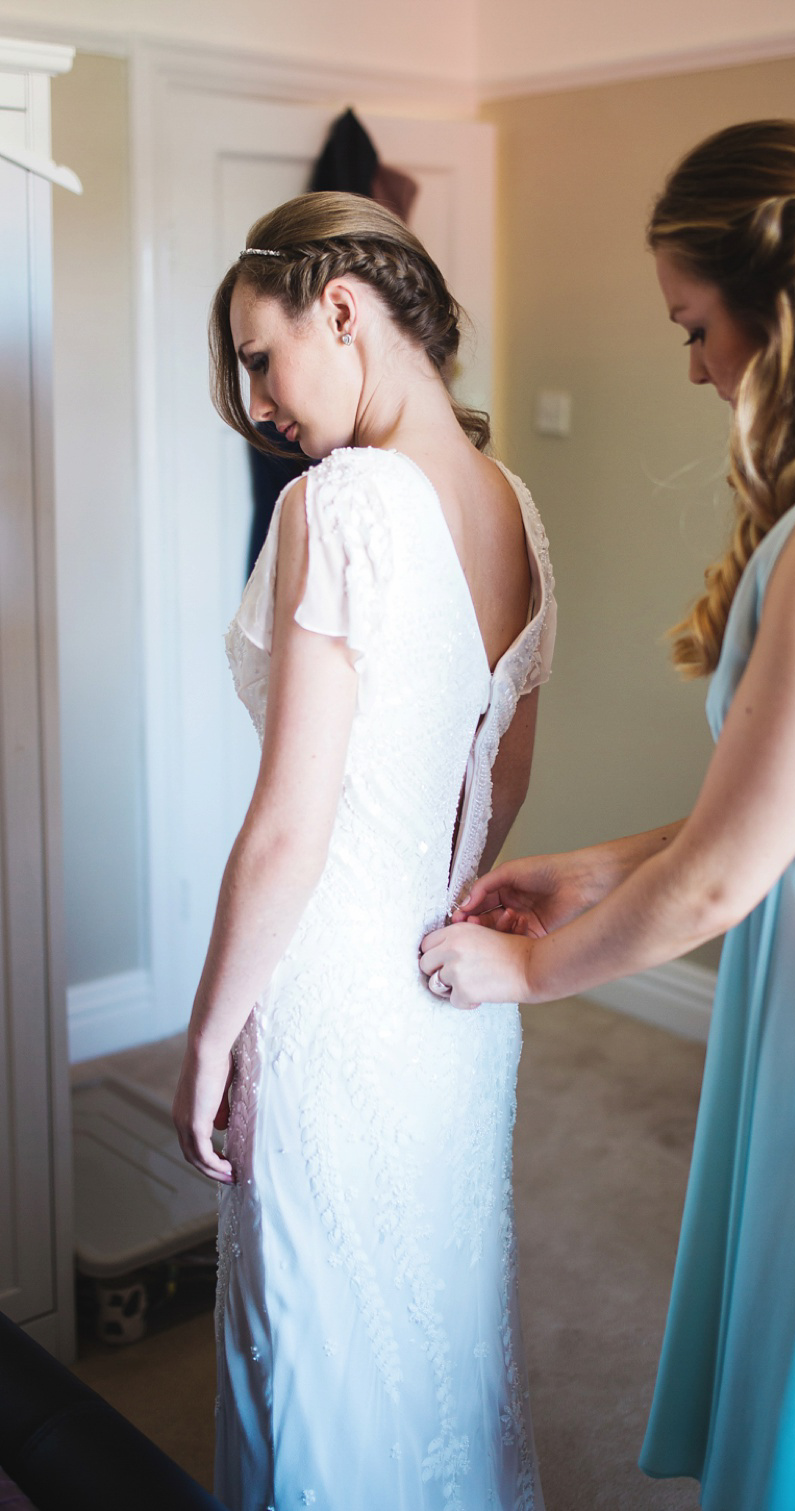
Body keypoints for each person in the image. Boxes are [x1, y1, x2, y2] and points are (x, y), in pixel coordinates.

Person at [420, 120, 795, 1510]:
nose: (693, 366)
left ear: (777, 307)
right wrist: (590, 870)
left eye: (694, 325)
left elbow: (728, 875)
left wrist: (530, 971)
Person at [171, 191, 555, 1511]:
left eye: (260, 357)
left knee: (319, 1359)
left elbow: (289, 824)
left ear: (343, 310)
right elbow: (500, 783)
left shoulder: (343, 505)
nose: (261, 401)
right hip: (450, 983)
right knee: (437, 1338)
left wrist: (212, 1035)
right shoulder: (512, 508)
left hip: (332, 995)